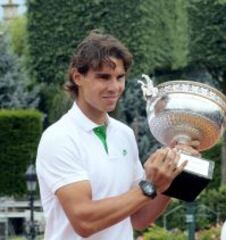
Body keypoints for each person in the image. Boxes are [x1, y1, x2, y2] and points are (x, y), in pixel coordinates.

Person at [36, 31, 199, 240]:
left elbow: (139, 218)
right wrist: (150, 186)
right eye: (103, 77)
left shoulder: (124, 134)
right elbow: (85, 221)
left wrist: (172, 173)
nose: (114, 87)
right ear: (78, 77)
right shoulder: (59, 138)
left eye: (120, 77)